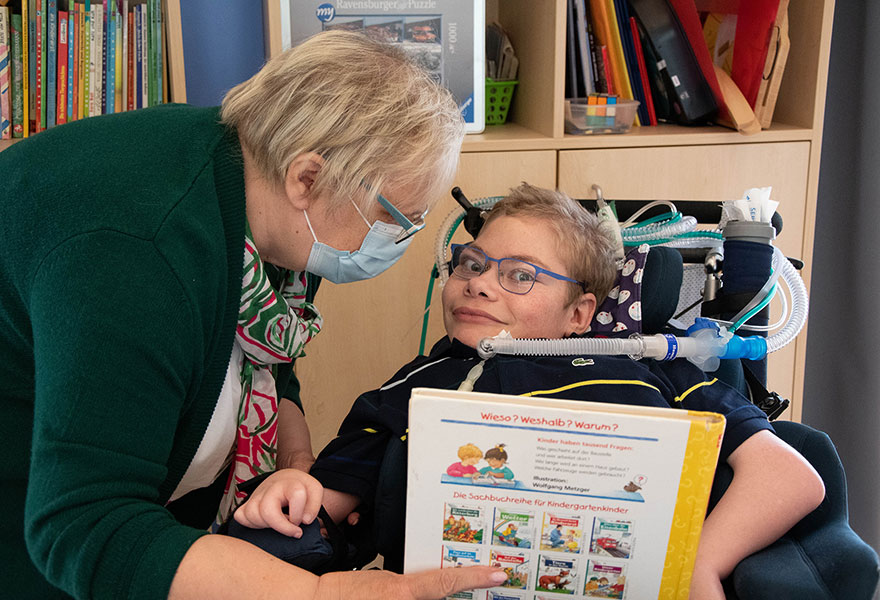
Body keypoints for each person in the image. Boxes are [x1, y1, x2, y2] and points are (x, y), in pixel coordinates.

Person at [0, 30, 510, 600]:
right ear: (307, 178)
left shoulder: (278, 211)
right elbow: (85, 525)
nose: (400, 240)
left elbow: (267, 356)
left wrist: (297, 462)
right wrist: (320, 596)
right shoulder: (140, 250)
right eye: (396, 216)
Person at [237, 183, 826, 599]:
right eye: (471, 264)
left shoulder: (652, 373)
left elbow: (790, 477)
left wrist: (699, 567)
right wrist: (294, 484)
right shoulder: (417, 386)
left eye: (520, 275)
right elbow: (328, 506)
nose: (481, 285)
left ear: (580, 312)